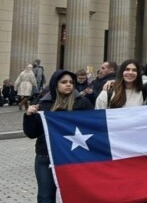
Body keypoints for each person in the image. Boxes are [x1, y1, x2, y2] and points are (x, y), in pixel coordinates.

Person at [23, 70, 94, 203]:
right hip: (46, 157)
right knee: (45, 196)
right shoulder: (43, 104)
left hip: (75, 157)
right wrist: (28, 116)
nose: (68, 85)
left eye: (71, 82)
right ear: (55, 84)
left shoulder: (83, 103)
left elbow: (93, 127)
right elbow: (31, 133)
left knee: (77, 196)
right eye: (64, 82)